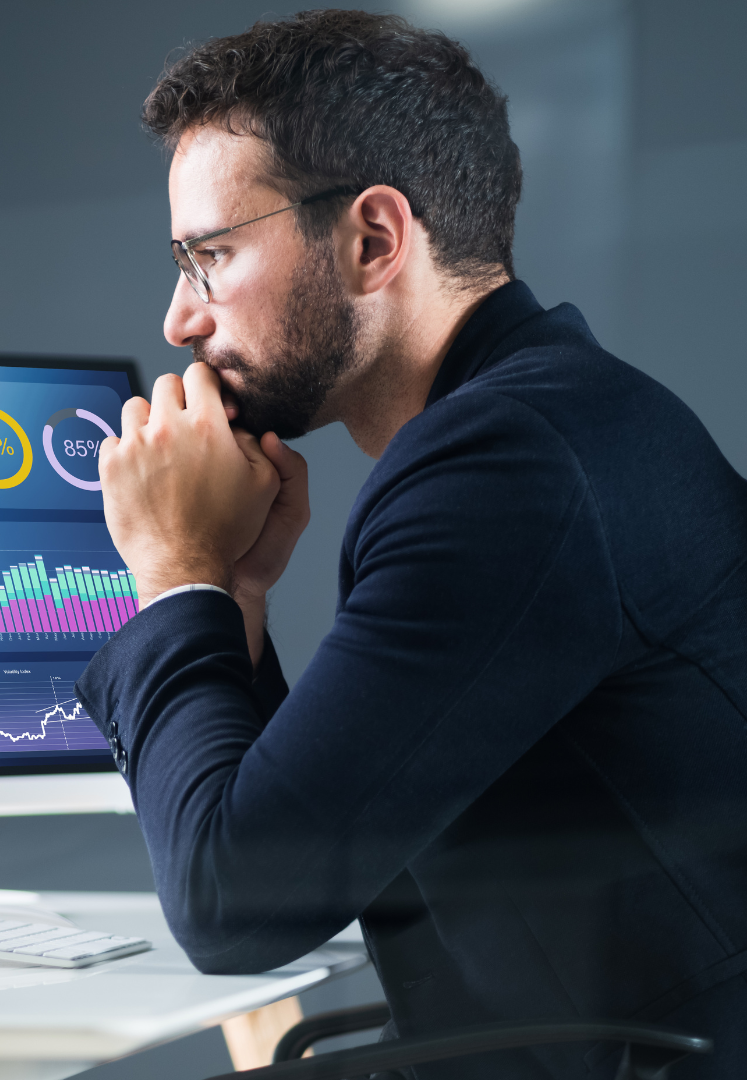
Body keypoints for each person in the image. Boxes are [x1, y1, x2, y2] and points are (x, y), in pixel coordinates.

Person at [75, 10, 747, 1078]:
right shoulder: (553, 422)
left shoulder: (506, 467)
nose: (179, 321)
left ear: (374, 240)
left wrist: (172, 572)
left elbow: (233, 905)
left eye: (209, 257)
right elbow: (327, 841)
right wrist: (236, 591)